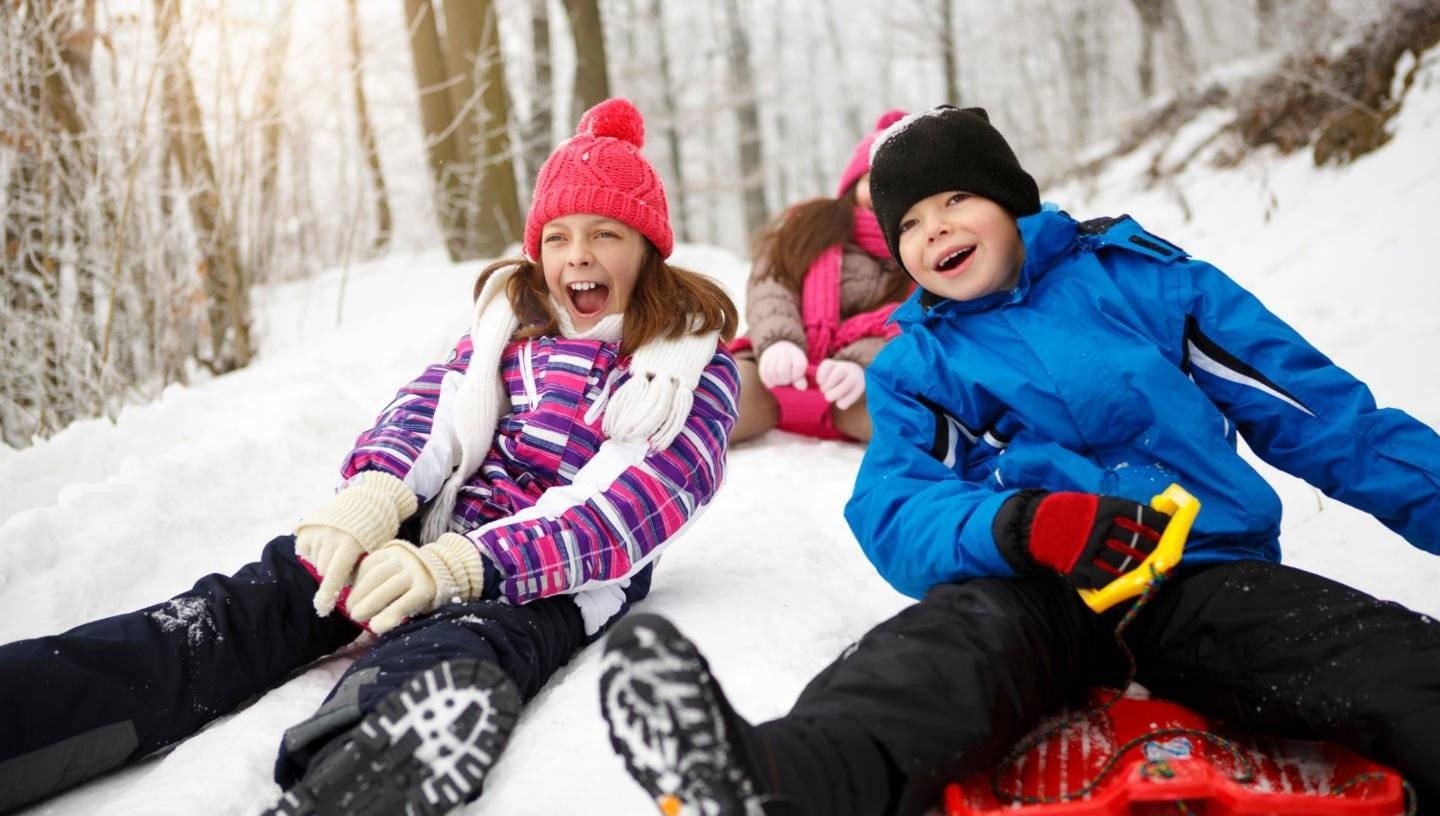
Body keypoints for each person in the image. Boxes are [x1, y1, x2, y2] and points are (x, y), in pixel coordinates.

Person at [595, 105, 1440, 816]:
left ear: (1011, 201)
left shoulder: (1146, 282)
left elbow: (1326, 418)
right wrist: (1021, 524)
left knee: (1365, 653)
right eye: (912, 225)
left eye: (957, 198)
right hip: (1033, 588)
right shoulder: (918, 363)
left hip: (1201, 570)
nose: (936, 231)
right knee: (937, 657)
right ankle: (781, 779)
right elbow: (894, 504)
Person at [0, 98, 740, 816]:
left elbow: (623, 510)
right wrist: (377, 493)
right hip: (432, 527)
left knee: (456, 647)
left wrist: (465, 566)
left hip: (546, 581)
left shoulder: (685, 368)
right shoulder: (508, 331)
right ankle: (32, 707)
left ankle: (366, 767)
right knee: (257, 602)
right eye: (558, 237)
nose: (577, 254)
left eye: (605, 233)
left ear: (648, 247)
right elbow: (433, 412)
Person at [729, 111, 912, 443]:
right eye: (874, 179)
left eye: (898, 183)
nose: (883, 191)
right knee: (714, 403)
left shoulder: (919, 254)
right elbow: (773, 280)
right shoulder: (811, 224)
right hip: (769, 368)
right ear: (854, 182)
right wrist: (777, 341)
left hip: (856, 389)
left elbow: (912, 326)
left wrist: (863, 365)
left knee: (915, 430)